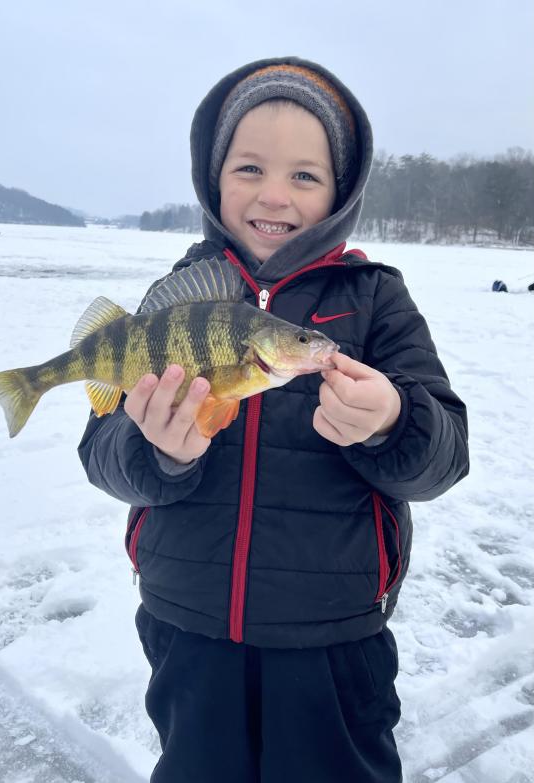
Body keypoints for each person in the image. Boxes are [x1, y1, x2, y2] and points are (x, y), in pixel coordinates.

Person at [78, 57, 469, 783]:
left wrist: (391, 420)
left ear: (341, 193)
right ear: (213, 176)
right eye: (249, 167)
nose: (273, 195)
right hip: (185, 623)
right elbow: (101, 448)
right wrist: (158, 452)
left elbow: (445, 456)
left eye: (305, 175)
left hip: (333, 636)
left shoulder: (375, 299)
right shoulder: (175, 298)